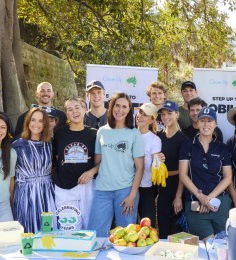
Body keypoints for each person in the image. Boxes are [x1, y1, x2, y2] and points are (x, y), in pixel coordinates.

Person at [90, 92, 145, 237]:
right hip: (102, 191)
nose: (120, 110)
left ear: (129, 110)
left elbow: (140, 167)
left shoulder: (134, 133)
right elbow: (98, 161)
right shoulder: (102, 132)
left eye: (124, 107)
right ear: (111, 107)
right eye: (117, 106)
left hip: (125, 192)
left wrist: (132, 195)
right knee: (96, 236)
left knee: (127, 238)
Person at [179, 107, 233, 240]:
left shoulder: (222, 147)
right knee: (208, 245)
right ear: (197, 123)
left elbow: (227, 177)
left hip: (219, 203)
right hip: (195, 204)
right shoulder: (187, 145)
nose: (206, 124)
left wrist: (208, 199)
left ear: (216, 124)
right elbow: (183, 175)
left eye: (210, 121)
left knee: (224, 245)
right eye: (202, 120)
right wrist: (200, 197)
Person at [53, 98, 99, 229]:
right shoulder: (59, 133)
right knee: (69, 229)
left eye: (77, 107)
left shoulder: (94, 134)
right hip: (65, 187)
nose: (75, 111)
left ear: (84, 109)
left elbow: (104, 160)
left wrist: (92, 171)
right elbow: (53, 158)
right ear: (67, 114)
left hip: (88, 187)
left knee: (90, 227)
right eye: (70, 109)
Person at [11, 108, 56, 233]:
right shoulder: (17, 145)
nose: (36, 124)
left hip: (46, 192)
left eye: (40, 121)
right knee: (28, 227)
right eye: (33, 120)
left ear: (45, 124)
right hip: (25, 192)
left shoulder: (50, 144)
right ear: (27, 122)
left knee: (47, 226)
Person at [156, 100, 189, 238]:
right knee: (162, 231)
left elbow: (184, 172)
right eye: (163, 114)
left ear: (177, 114)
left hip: (177, 189)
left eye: (169, 113)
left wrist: (178, 197)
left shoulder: (183, 139)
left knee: (176, 233)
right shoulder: (158, 137)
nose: (166, 117)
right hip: (161, 190)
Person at [135, 103, 162, 223]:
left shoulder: (155, 140)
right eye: (140, 113)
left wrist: (158, 160)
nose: (140, 116)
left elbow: (155, 165)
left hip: (146, 187)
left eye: (145, 115)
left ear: (151, 120)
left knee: (147, 224)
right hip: (126, 186)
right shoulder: (129, 134)